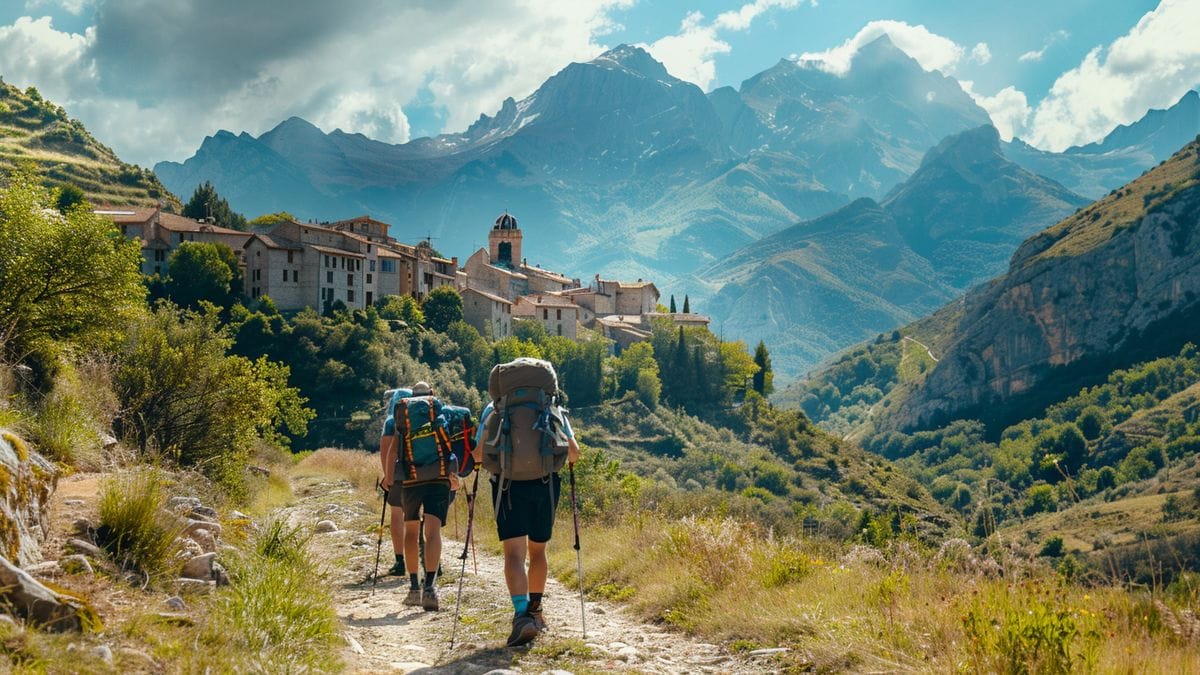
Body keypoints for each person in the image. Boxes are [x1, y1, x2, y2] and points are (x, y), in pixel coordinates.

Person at [473, 398, 580, 647]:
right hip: (545, 486)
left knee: (513, 554)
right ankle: (536, 610)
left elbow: (478, 454)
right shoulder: (550, 407)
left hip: (507, 487)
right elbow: (573, 452)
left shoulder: (495, 409)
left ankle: (521, 616)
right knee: (538, 551)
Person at [386, 381, 454, 611]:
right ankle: (431, 587)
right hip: (438, 477)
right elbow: (449, 445)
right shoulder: (437, 410)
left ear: (412, 396)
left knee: (412, 530)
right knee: (432, 531)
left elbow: (394, 449)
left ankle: (413, 588)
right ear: (431, 394)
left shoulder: (403, 413)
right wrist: (452, 474)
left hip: (411, 478)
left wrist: (390, 479)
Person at [379, 389, 408, 579]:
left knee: (397, 514)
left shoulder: (391, 422)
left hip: (398, 476)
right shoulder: (424, 417)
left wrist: (387, 478)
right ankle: (428, 561)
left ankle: (400, 561)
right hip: (422, 473)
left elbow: (386, 453)